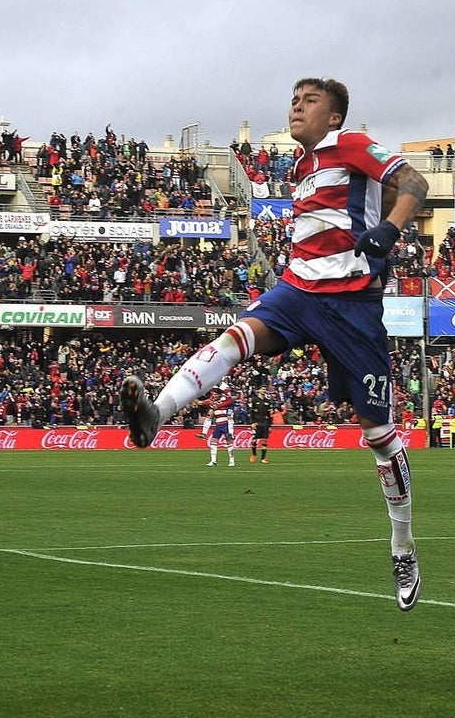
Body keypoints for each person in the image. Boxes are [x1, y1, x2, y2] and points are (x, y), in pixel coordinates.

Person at [121, 76, 429, 611]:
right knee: (237, 336)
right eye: (294, 100)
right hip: (298, 289)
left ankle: (402, 544)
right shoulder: (299, 170)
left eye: (310, 101)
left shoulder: (352, 144)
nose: (297, 107)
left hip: (353, 304)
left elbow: (416, 184)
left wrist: (390, 230)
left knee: (378, 432)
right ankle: (157, 413)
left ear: (334, 116)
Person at [200, 383, 236, 467]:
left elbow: (230, 400)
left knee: (229, 442)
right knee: (213, 442)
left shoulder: (226, 400)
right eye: (213, 394)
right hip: (218, 424)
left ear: (220, 394)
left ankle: (231, 461)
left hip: (226, 424)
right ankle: (213, 461)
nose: (214, 396)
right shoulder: (212, 401)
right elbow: (201, 403)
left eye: (216, 394)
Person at [249, 386, 275, 464]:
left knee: (265, 440)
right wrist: (252, 422)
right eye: (262, 389)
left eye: (265, 389)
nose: (264, 390)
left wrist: (270, 425)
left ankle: (263, 458)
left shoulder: (267, 401)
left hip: (265, 423)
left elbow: (270, 415)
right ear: (259, 390)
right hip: (256, 422)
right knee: (254, 440)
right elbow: (251, 413)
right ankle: (253, 454)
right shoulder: (254, 400)